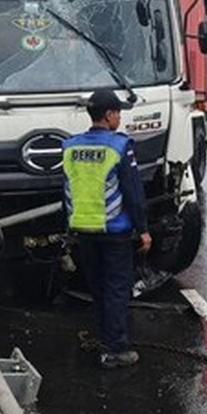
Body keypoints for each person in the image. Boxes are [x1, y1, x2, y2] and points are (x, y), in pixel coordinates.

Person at [62, 89, 153, 368]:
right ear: (109, 114)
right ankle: (115, 349)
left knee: (98, 288)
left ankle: (104, 338)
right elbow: (133, 193)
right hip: (114, 230)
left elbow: (65, 189)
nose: (120, 118)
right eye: (118, 113)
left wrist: (68, 227)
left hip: (83, 228)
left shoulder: (70, 146)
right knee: (116, 289)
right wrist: (144, 229)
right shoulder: (119, 146)